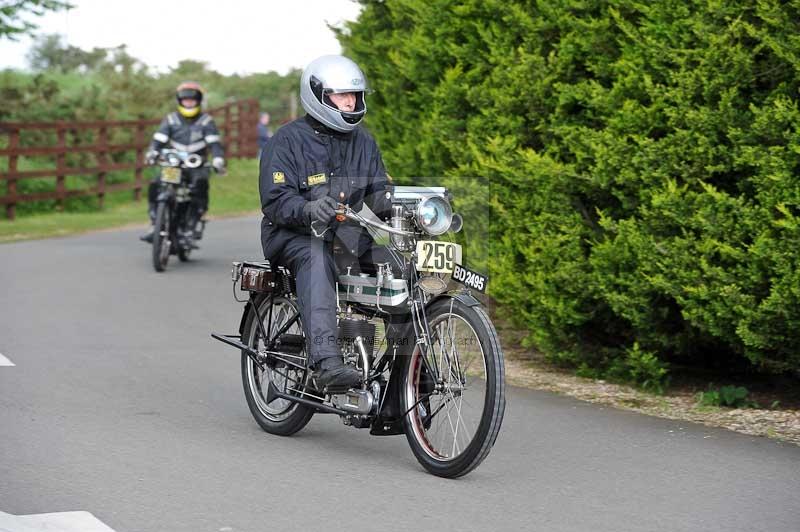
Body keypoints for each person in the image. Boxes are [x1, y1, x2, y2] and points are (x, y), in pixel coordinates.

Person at [259, 55, 393, 390]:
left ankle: (408, 373)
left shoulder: (365, 141)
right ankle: (327, 363)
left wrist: (415, 205)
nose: (350, 101)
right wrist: (308, 209)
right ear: (317, 95)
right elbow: (275, 200)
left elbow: (379, 194)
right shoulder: (286, 140)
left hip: (347, 235)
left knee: (398, 266)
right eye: (341, 95)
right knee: (316, 258)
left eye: (354, 95)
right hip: (292, 235)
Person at [141, 81, 226, 242]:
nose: (189, 103)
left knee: (200, 184)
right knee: (157, 183)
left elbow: (215, 144)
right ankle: (155, 223)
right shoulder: (171, 119)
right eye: (185, 100)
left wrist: (218, 160)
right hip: (174, 165)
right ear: (180, 101)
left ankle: (193, 222)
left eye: (192, 100)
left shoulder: (206, 121)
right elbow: (158, 140)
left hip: (197, 164)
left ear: (198, 101)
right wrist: (152, 152)